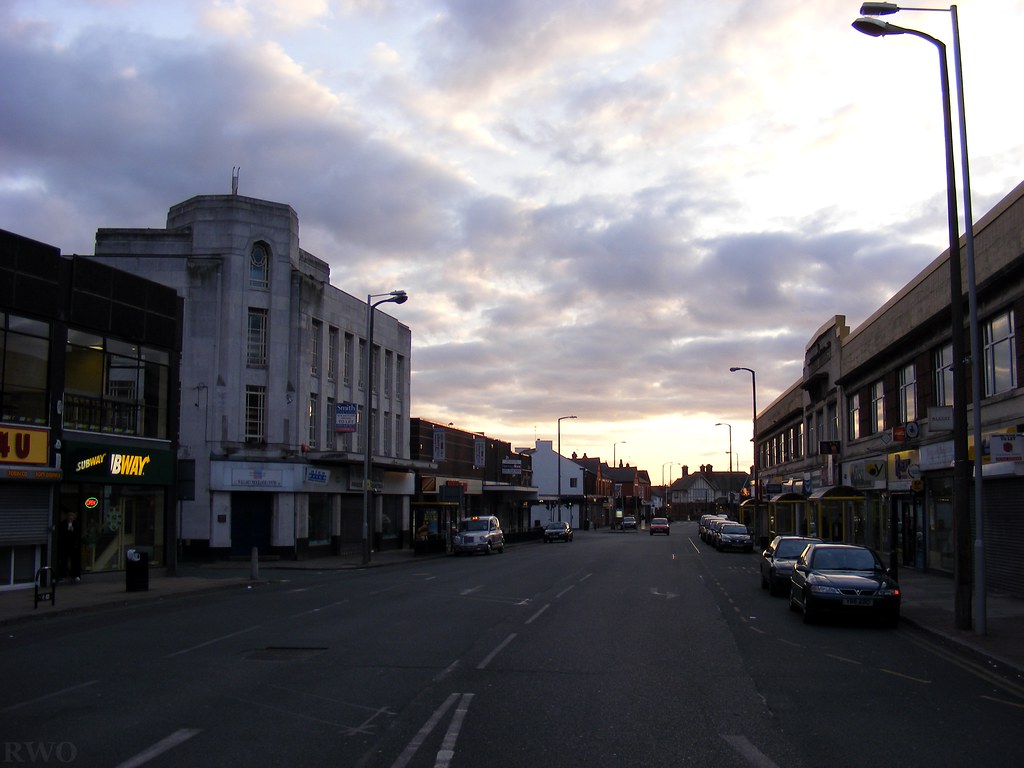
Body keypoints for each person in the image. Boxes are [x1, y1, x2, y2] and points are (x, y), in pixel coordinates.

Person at [58, 509, 82, 583]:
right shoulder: (63, 524)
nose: (71, 517)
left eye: (72, 516)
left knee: (75, 561)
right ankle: (63, 575)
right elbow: (61, 534)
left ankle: (75, 575)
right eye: (69, 516)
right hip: (65, 545)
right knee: (63, 561)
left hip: (74, 546)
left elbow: (78, 535)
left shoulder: (76, 524)